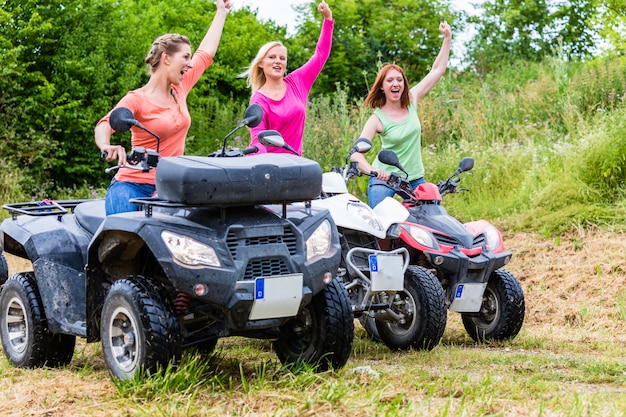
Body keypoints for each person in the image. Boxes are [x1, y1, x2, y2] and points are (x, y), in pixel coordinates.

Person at [95, 0, 231, 215]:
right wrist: (106, 146)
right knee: (128, 239)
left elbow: (206, 53)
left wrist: (221, 12)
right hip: (131, 184)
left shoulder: (181, 87)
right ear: (166, 59)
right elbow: (104, 124)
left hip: (169, 187)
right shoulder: (137, 99)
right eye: (185, 57)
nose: (190, 63)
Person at [350, 21, 452, 208]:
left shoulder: (412, 100)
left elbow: (437, 70)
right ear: (382, 86)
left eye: (399, 80)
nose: (395, 83)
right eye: (390, 80)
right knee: (381, 226)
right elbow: (356, 156)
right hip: (386, 178)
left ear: (404, 84)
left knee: (431, 216)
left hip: (414, 178)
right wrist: (374, 171)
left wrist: (447, 38)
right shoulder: (377, 118)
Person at [241, 1, 333, 156]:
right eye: (272, 57)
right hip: (270, 167)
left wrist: (328, 19)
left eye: (282, 58)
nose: (278, 61)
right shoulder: (259, 100)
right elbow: (257, 139)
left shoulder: (297, 82)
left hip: (297, 164)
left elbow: (320, 55)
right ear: (261, 63)